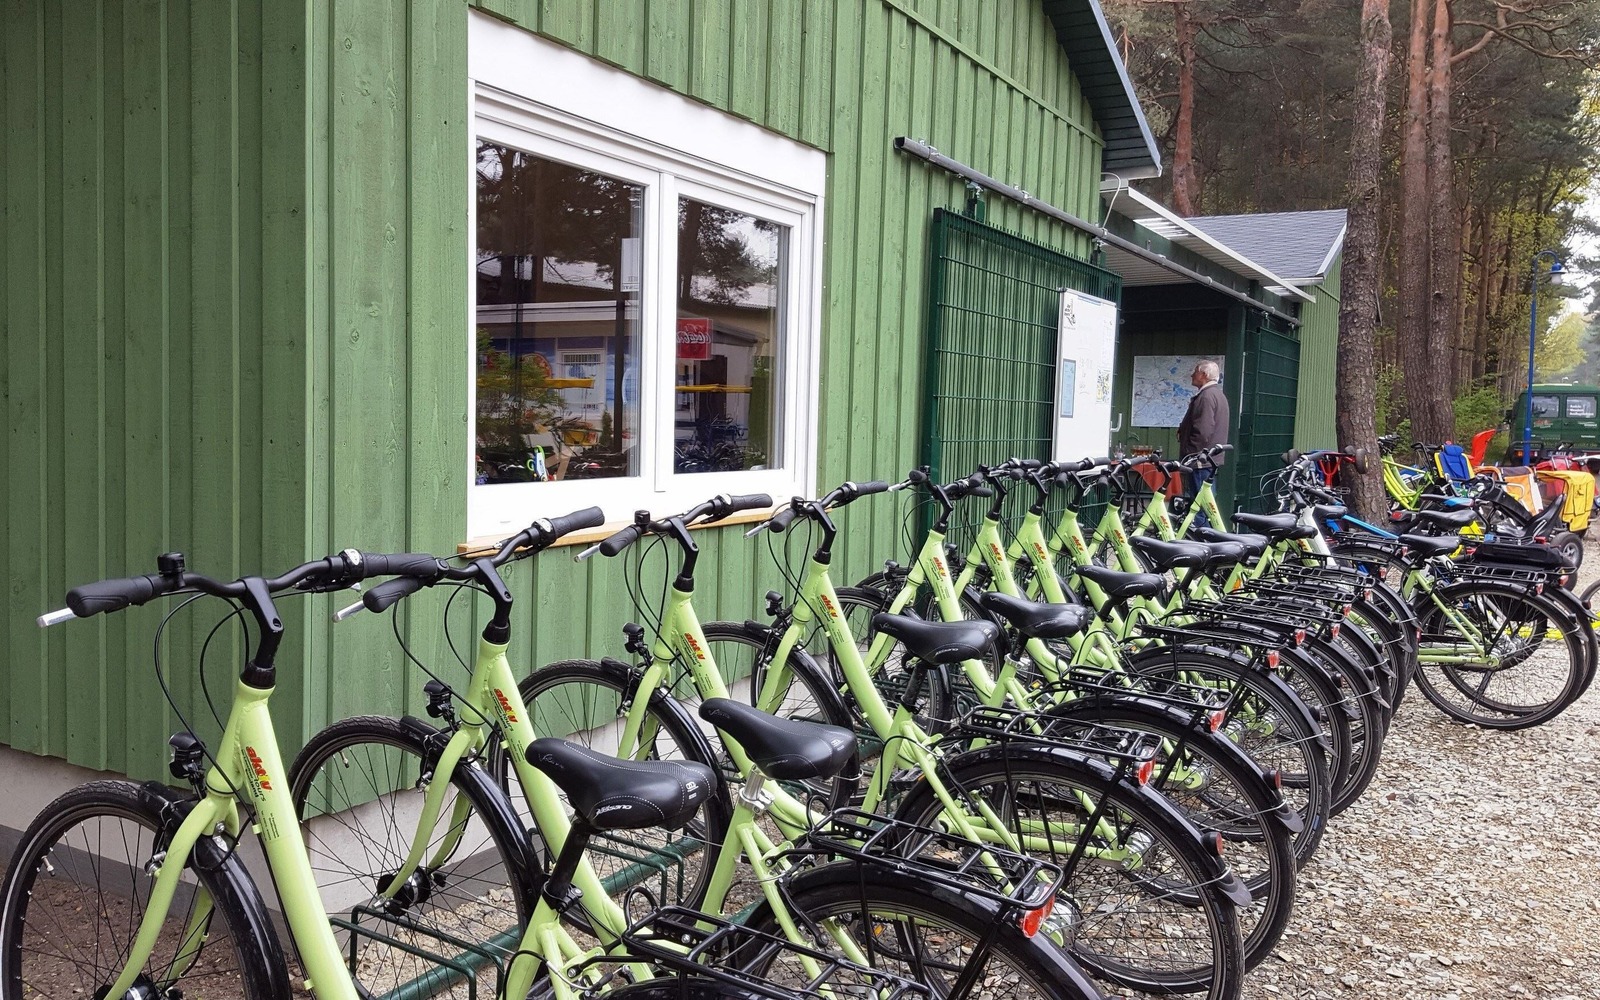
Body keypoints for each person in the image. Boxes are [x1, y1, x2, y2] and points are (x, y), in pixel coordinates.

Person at [1177, 359, 1229, 497]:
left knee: (1199, 504)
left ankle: (1202, 520)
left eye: (1196, 372)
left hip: (1201, 461)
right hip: (1208, 459)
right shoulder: (1218, 394)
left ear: (1204, 374)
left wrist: (1191, 454)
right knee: (1206, 501)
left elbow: (1203, 431)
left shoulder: (1206, 396)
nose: (1192, 375)